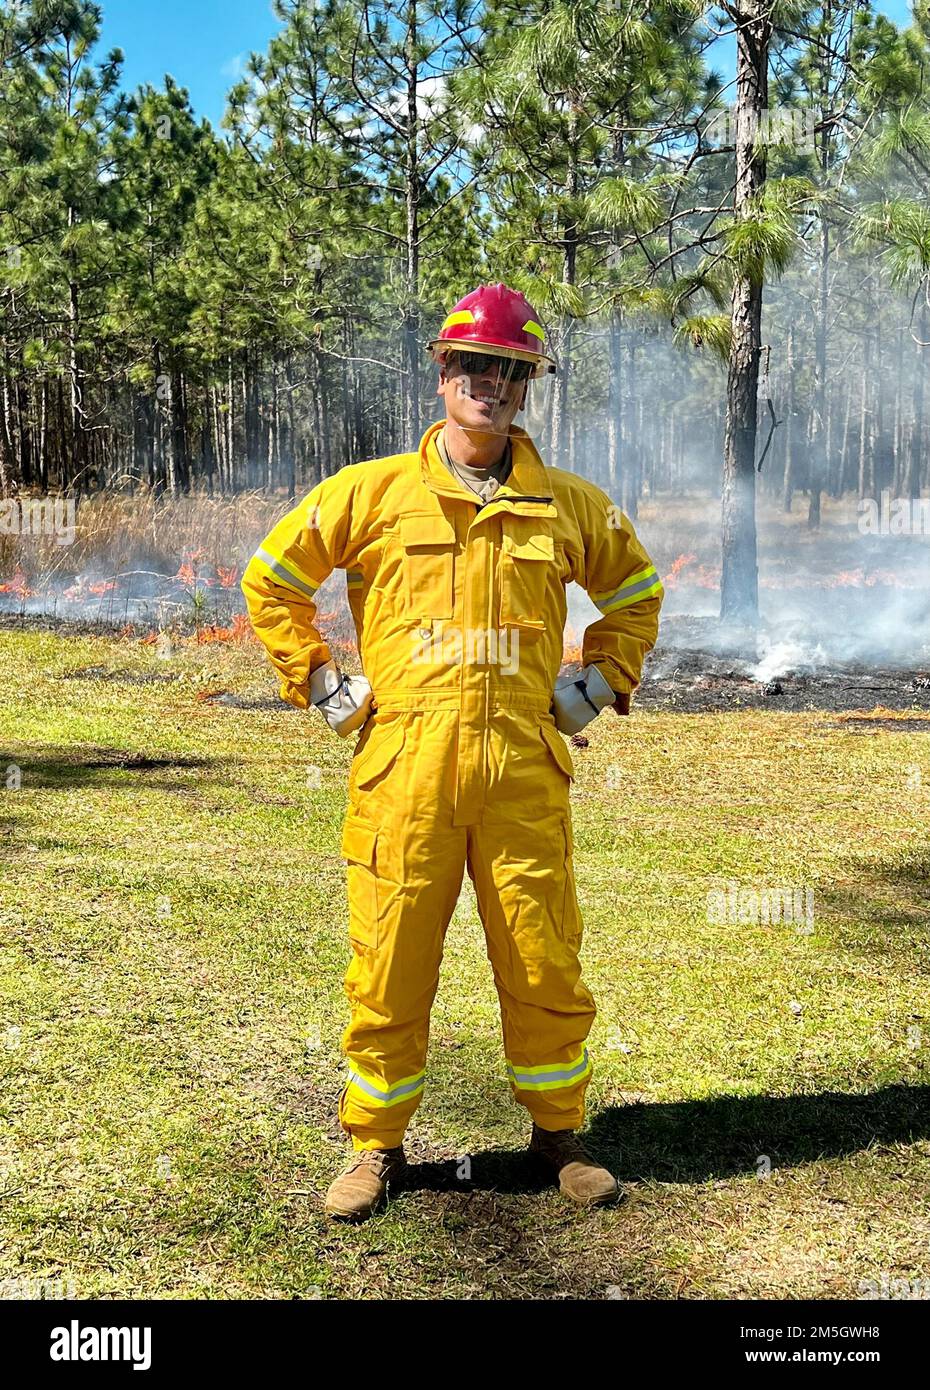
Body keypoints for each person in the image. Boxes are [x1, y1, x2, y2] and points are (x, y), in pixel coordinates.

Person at [241, 282, 664, 1222]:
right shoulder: (372, 493)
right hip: (406, 774)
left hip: (521, 774)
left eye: (510, 369)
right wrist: (319, 682)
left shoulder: (566, 505)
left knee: (543, 959)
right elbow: (271, 578)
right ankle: (375, 1148)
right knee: (388, 961)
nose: (491, 383)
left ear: (527, 386)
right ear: (442, 373)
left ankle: (559, 1137)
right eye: (474, 364)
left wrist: (594, 685)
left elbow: (635, 590)